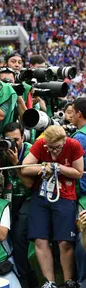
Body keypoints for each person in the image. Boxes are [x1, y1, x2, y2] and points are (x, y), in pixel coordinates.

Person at [22, 125, 84, 288]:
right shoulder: (40, 143)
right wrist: (43, 166)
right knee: (40, 239)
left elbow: (79, 172)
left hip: (65, 195)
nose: (54, 151)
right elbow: (24, 167)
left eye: (57, 147)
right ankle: (50, 282)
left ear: (64, 141)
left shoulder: (73, 145)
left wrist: (59, 167)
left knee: (64, 241)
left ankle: (68, 280)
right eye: (50, 147)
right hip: (41, 195)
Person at [0, 122, 38, 288]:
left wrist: (16, 163)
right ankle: (16, 274)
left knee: (19, 238)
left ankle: (26, 279)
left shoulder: (31, 150)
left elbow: (29, 184)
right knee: (9, 238)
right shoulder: (2, 150)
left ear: (23, 137)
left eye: (16, 139)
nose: (12, 143)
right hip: (9, 200)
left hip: (29, 198)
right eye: (8, 140)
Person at [71, 97, 86, 286]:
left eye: (72, 111)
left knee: (82, 239)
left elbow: (75, 171)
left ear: (79, 114)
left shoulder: (79, 138)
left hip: (82, 196)